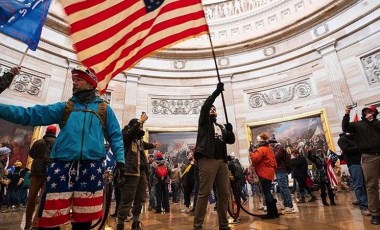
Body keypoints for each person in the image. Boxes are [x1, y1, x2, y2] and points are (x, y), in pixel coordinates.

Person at [0, 65, 125, 229]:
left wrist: (120, 161)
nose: (74, 83)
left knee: (84, 220)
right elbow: (30, 114)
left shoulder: (104, 109)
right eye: (73, 79)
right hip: (62, 166)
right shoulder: (65, 107)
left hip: (91, 166)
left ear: (90, 84)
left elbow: (115, 136)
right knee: (51, 217)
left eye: (78, 79)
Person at [193, 82, 235, 230]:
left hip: (221, 162)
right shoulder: (204, 123)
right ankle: (198, 225)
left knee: (224, 194)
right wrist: (216, 92)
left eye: (214, 109)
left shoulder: (220, 127)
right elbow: (205, 106)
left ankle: (224, 224)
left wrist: (230, 131)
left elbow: (231, 141)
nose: (212, 109)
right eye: (211, 108)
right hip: (207, 159)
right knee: (204, 193)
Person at [116, 115, 161, 230]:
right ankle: (120, 223)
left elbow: (146, 145)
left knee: (140, 198)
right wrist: (140, 121)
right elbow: (130, 134)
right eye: (139, 125)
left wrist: (153, 145)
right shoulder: (126, 136)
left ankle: (136, 223)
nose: (140, 128)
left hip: (141, 173)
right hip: (130, 172)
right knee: (127, 199)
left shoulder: (139, 141)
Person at [342, 105, 380, 225]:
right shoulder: (358, 125)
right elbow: (345, 127)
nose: (367, 113)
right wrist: (347, 114)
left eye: (370, 111)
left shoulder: (377, 123)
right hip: (369, 157)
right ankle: (375, 213)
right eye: (365, 111)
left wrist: (372, 121)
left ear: (374, 113)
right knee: (371, 185)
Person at [24, 125, 57, 230]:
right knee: (43, 199)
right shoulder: (57, 143)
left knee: (32, 198)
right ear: (55, 133)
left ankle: (27, 223)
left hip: (36, 173)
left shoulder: (38, 142)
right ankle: (36, 223)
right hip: (49, 173)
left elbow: (31, 154)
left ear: (46, 131)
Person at [337, 132, 369, 216]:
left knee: (365, 185)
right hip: (354, 163)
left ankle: (367, 202)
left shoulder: (354, 138)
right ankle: (363, 206)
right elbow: (346, 150)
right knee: (359, 185)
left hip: (364, 162)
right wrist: (360, 147)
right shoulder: (342, 139)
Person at [250, 132, 279, 219]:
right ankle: (274, 212)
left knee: (266, 193)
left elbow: (255, 159)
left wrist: (251, 153)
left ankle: (271, 213)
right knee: (268, 192)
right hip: (269, 173)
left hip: (263, 173)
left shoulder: (261, 149)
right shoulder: (269, 149)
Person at [268, 136, 295, 213]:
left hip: (281, 170)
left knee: (284, 188)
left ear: (273, 143)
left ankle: (289, 206)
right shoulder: (277, 148)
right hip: (279, 170)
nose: (269, 145)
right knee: (282, 189)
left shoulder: (279, 147)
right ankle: (286, 204)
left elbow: (275, 158)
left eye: (270, 144)